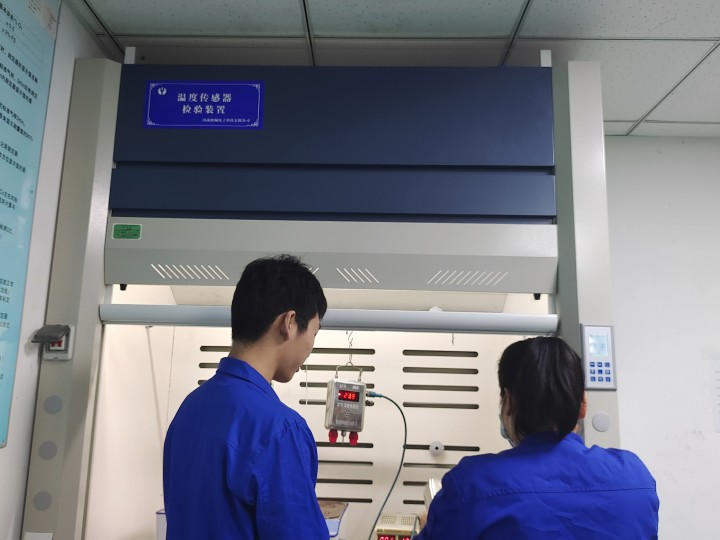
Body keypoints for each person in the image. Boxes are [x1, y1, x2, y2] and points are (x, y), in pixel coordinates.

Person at [416, 336, 659, 539]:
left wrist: (431, 526)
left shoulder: (471, 483)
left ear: (508, 402)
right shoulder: (634, 475)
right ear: (583, 404)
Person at [163, 254, 329, 539]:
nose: (310, 347)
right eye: (314, 332)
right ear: (289, 323)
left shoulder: (190, 408)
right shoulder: (280, 430)